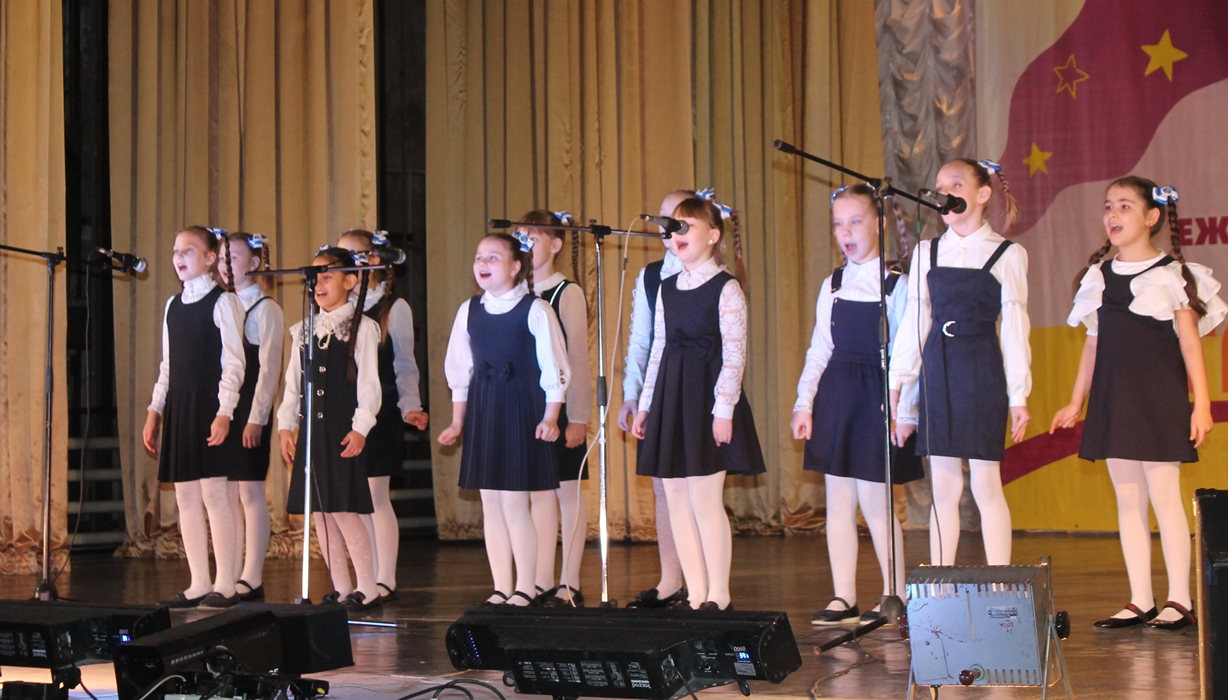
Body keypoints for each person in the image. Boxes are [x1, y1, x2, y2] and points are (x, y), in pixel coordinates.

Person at [1051, 178, 1225, 631]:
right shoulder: (1098, 277)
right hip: (1114, 398)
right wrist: (1075, 400)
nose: (1113, 215)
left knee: (1165, 496)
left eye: (1125, 206)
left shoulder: (1173, 275)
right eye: (1109, 206)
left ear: (1151, 217)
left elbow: (1190, 344)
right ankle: (1140, 599)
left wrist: (1201, 405)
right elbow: (1093, 344)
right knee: (1128, 499)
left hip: (1159, 399)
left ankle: (1180, 600)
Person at [889, 158, 1029, 567]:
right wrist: (898, 383)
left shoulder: (1006, 253)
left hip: (980, 365)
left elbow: (1015, 326)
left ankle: (1001, 580)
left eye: (955, 184)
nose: (945, 193)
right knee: (944, 486)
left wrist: (1019, 394)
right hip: (939, 366)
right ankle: (940, 582)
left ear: (982, 194)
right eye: (940, 185)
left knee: (985, 483)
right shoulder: (927, 252)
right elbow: (916, 321)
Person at [793, 185, 923, 625]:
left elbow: (909, 355)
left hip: (878, 398)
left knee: (875, 502)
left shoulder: (897, 286)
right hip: (837, 397)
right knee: (839, 500)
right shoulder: (832, 284)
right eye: (838, 224)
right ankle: (843, 597)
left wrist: (904, 410)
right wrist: (805, 402)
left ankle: (893, 595)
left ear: (879, 224)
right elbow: (819, 349)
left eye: (855, 222)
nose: (845, 232)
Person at [632, 195, 766, 611]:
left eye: (687, 225)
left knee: (705, 500)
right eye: (673, 226)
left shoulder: (726, 288)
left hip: (705, 401)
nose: (677, 233)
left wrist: (723, 410)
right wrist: (646, 405)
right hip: (671, 399)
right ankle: (695, 594)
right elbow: (658, 349)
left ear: (712, 235)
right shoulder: (666, 289)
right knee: (676, 500)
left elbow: (735, 355)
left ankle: (718, 595)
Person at [439, 233, 571, 606]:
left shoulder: (536, 309)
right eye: (479, 257)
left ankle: (526, 586)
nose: (483, 263)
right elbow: (460, 372)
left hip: (521, 410)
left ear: (515, 267)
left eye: (493, 257)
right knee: (492, 505)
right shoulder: (469, 311)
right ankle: (501, 586)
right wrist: (458, 422)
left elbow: (555, 367)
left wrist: (551, 416)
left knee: (514, 504)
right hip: (485, 411)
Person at [143, 226, 245, 608]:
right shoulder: (173, 305)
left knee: (215, 495)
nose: (179, 257)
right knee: (185, 496)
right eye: (175, 250)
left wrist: (224, 412)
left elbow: (234, 363)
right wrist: (154, 411)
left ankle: (226, 583)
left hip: (209, 407)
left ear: (210, 258)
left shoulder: (224, 302)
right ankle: (199, 581)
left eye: (188, 250)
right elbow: (168, 366)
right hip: (180, 409)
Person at [277, 246, 383, 611]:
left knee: (344, 511)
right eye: (315, 278)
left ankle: (368, 587)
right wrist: (285, 425)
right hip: (312, 434)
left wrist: (361, 427)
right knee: (320, 513)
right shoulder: (304, 330)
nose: (318, 284)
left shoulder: (362, 328)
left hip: (341, 431)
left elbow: (369, 385)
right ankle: (341, 587)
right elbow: (292, 384)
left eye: (327, 276)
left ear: (350, 282)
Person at [337, 229, 429, 603]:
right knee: (353, 499)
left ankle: (384, 578)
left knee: (375, 495)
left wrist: (411, 406)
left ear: (373, 260)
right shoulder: (338, 307)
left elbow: (405, 363)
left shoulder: (394, 308)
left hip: (382, 412)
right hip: (347, 413)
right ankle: (365, 578)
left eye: (350, 254)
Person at [618, 189, 691, 609]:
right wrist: (631, 396)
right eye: (663, 216)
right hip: (657, 391)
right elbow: (640, 342)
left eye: (677, 217)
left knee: (697, 489)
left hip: (697, 387)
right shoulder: (649, 277)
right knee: (664, 489)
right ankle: (670, 580)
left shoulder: (713, 274)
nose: (667, 225)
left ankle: (705, 584)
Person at [520, 210, 593, 607]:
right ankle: (539, 579)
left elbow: (578, 358)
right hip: (527, 407)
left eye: (534, 238)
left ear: (555, 244)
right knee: (536, 497)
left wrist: (578, 417)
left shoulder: (567, 292)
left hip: (561, 408)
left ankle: (570, 581)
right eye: (522, 238)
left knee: (567, 494)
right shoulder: (514, 293)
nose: (527, 245)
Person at [218, 232, 284, 602]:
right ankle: (227, 573)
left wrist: (257, 417)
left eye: (234, 257)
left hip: (249, 408)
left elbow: (269, 370)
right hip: (224, 408)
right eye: (221, 258)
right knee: (226, 492)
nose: (226, 265)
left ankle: (252, 575)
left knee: (249, 490)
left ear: (255, 263)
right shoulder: (220, 304)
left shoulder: (265, 308)